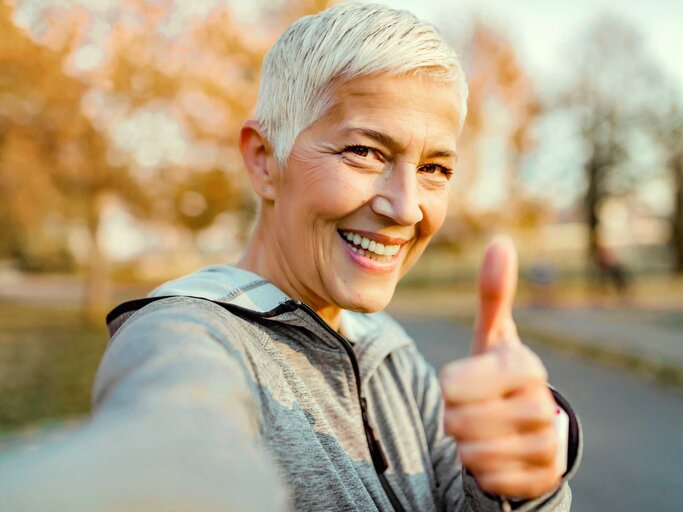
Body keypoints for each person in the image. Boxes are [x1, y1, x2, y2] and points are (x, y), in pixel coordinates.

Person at [0, 4, 581, 511]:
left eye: (434, 168)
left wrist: (518, 481)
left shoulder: (392, 351)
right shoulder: (183, 334)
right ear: (262, 160)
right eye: (363, 151)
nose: (406, 207)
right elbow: (175, 431)